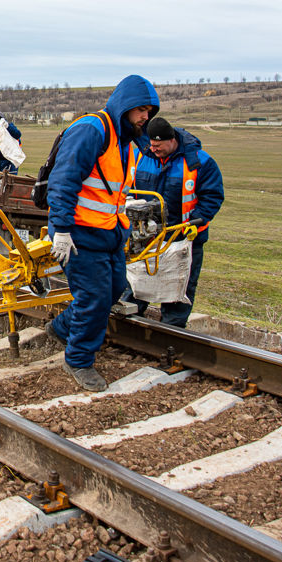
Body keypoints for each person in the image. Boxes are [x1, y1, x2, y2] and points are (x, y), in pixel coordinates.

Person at [44, 75, 159, 391]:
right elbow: (63, 182)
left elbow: (112, 190)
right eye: (141, 110)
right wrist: (63, 231)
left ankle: (61, 328)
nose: (145, 117)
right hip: (80, 233)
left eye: (149, 111)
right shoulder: (92, 131)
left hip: (109, 234)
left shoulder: (126, 141)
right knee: (93, 297)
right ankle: (79, 360)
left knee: (113, 290)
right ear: (125, 106)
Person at [115, 117, 224, 327]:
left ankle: (172, 333)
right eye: (151, 145)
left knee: (178, 289)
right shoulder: (140, 156)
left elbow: (213, 196)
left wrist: (196, 221)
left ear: (172, 140)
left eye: (158, 146)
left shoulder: (199, 162)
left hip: (183, 238)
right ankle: (127, 325)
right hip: (144, 238)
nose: (154, 149)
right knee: (134, 284)